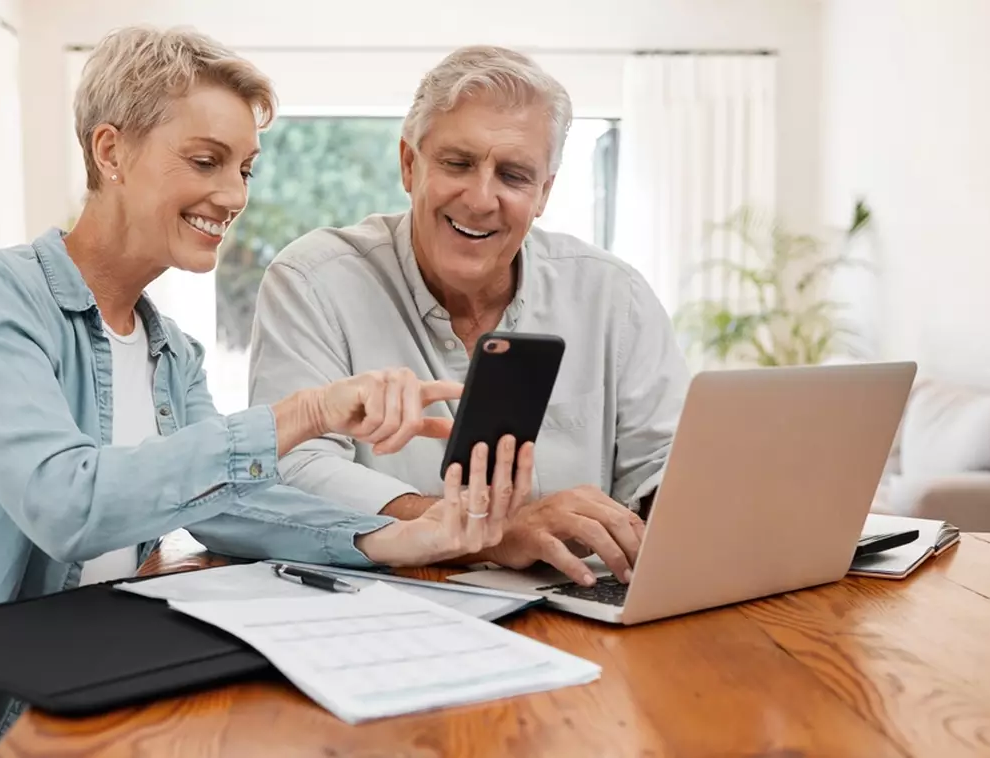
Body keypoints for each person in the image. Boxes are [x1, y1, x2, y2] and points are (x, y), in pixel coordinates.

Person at [0, 27, 537, 758]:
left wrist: (409, 536)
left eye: (245, 169)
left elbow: (230, 506)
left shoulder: (172, 351)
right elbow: (66, 504)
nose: (232, 195)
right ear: (111, 153)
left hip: (71, 700)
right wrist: (304, 414)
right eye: (206, 161)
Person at [248, 45, 692, 589]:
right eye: (458, 164)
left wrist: (677, 502)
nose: (482, 199)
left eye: (514, 175)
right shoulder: (315, 281)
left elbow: (669, 461)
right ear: (409, 165)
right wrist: (483, 532)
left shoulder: (613, 295)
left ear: (544, 193)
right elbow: (287, 470)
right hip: (385, 610)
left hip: (579, 604)